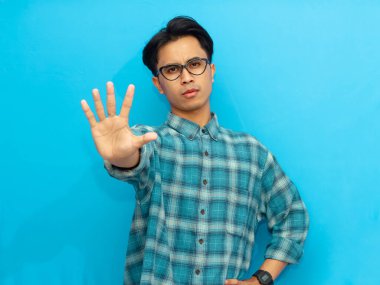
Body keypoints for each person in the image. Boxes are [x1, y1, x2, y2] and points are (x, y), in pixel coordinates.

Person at [81, 16, 309, 285]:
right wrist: (121, 156)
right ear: (158, 84)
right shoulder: (148, 141)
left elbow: (293, 216)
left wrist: (261, 279)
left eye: (195, 64)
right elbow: (133, 159)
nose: (186, 77)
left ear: (211, 70)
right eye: (172, 70)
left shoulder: (252, 154)